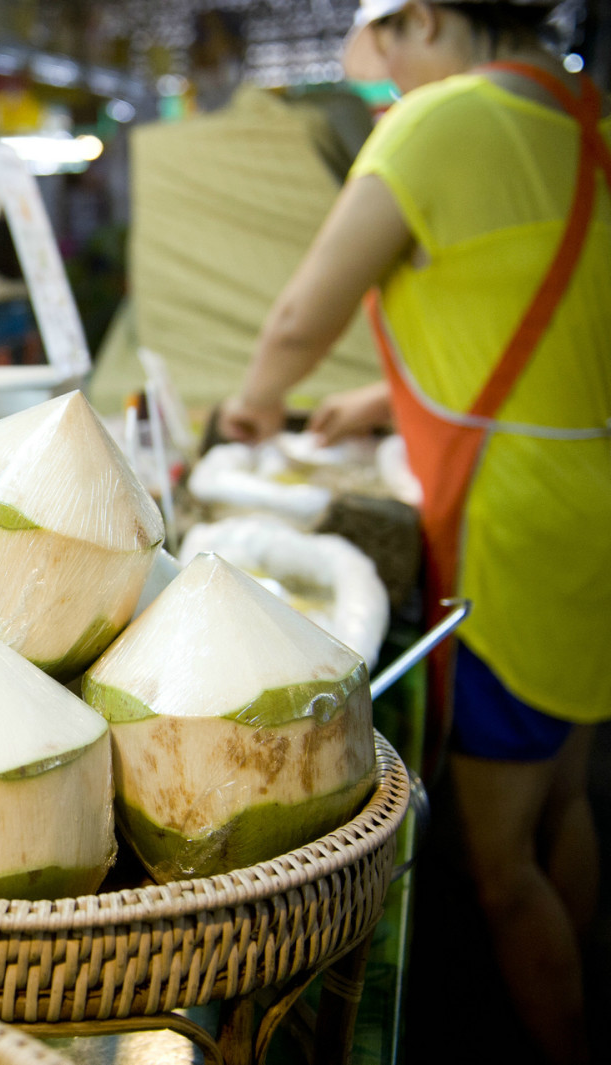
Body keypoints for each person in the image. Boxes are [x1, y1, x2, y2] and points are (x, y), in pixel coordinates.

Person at [218, 4, 607, 1061]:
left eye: (384, 56)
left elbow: (304, 313)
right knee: (564, 791)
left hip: (509, 527)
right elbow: (543, 324)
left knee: (493, 855)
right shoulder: (585, 125)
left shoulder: (440, 121)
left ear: (422, 21)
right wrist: (383, 406)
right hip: (589, 500)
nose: (388, 83)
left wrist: (255, 406)